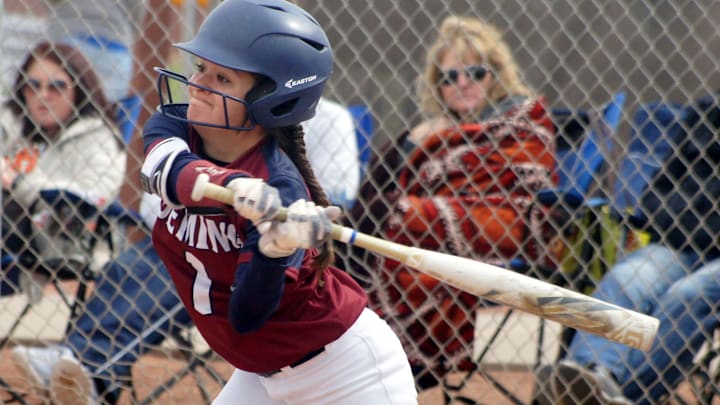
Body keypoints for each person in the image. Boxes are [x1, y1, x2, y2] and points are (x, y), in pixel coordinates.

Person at [151, 0, 417, 403]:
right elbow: (163, 168)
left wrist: (275, 250)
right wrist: (231, 183)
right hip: (261, 377)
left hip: (348, 376)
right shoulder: (176, 125)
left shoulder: (282, 192)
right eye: (201, 67)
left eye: (222, 78)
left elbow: (247, 317)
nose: (197, 84)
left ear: (269, 102)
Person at [343, 15, 557, 390]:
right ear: (436, 86)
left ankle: (386, 363)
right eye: (449, 77)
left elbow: (523, 193)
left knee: (395, 216)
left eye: (475, 72)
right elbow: (381, 184)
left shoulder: (519, 121)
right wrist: (414, 140)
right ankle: (354, 351)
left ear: (496, 74)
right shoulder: (436, 133)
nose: (462, 84)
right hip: (426, 223)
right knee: (368, 219)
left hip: (500, 225)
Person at [538, 93, 720, 404]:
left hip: (700, 246)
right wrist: (683, 218)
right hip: (681, 241)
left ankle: (605, 397)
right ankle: (592, 372)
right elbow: (659, 190)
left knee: (687, 296)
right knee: (627, 277)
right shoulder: (709, 113)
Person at [0, 41, 126, 301]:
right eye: (33, 86)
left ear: (77, 90)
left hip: (53, 239)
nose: (42, 95)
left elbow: (94, 195)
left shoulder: (97, 136)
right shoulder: (12, 121)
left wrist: (19, 181)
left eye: (56, 87)